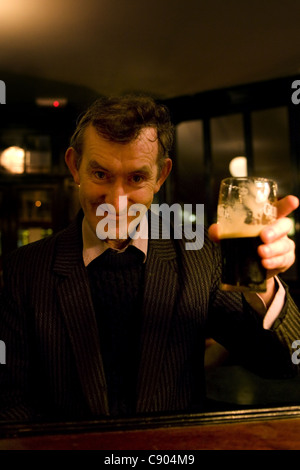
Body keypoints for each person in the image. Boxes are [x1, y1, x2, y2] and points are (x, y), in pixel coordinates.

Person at [0, 94, 299, 422]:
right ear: (75, 167)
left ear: (160, 176)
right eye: (100, 174)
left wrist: (266, 283)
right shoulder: (21, 271)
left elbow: (283, 365)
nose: (117, 200)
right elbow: (10, 402)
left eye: (136, 178)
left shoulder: (201, 259)